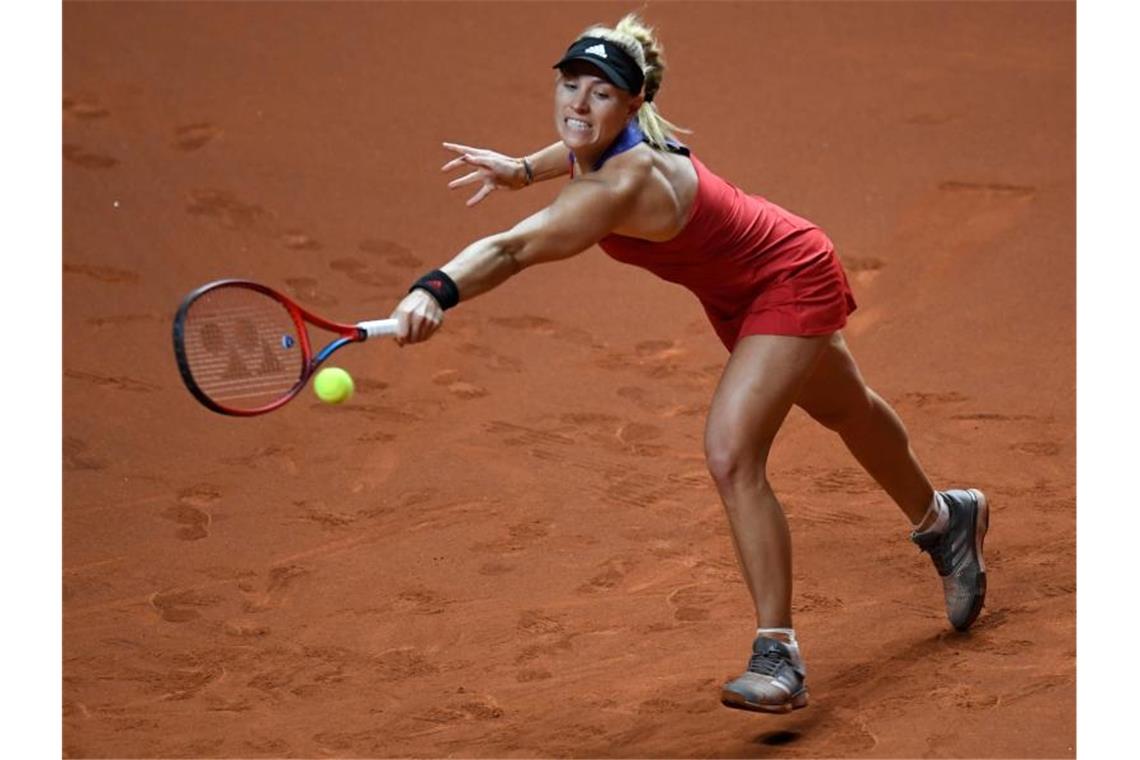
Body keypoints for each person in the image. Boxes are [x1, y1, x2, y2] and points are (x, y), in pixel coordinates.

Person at [389, 14, 989, 714]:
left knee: (732, 454)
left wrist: (435, 289)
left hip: (788, 275)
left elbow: (514, 249)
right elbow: (579, 150)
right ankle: (947, 521)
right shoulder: (614, 144)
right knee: (844, 408)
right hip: (742, 287)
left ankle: (779, 655)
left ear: (634, 104)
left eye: (601, 94)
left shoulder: (623, 185)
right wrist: (524, 168)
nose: (578, 106)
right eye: (570, 86)